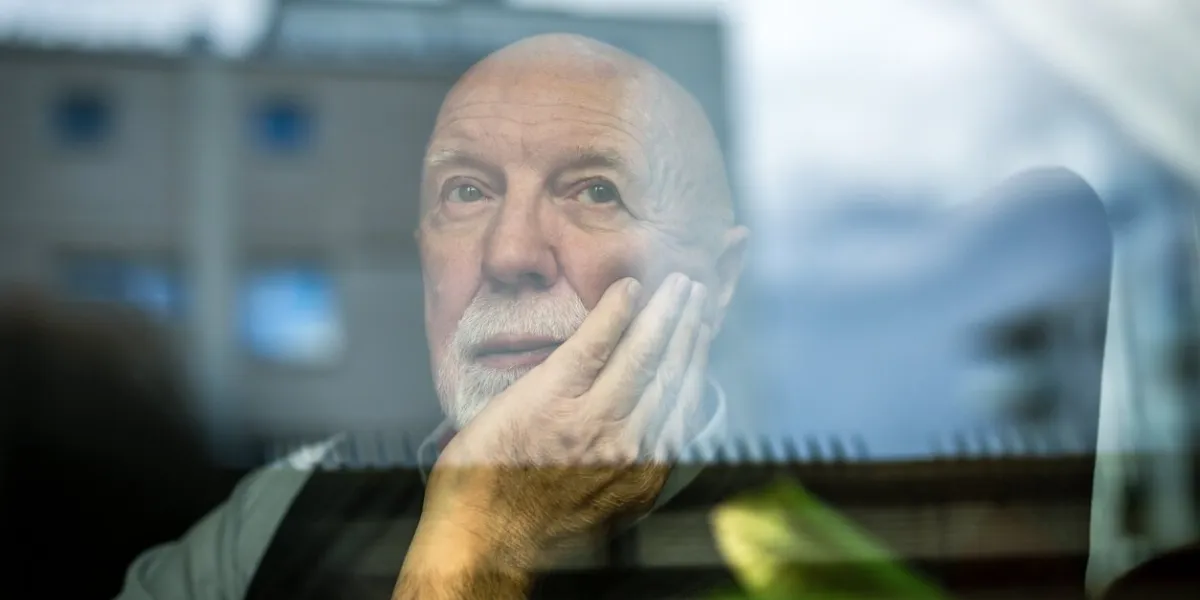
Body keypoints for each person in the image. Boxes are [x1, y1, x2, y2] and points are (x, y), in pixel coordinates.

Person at [116, 33, 749, 600]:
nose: (509, 255)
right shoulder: (279, 519)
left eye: (596, 191)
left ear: (718, 283)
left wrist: (486, 534)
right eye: (466, 191)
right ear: (425, 257)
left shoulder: (805, 544)